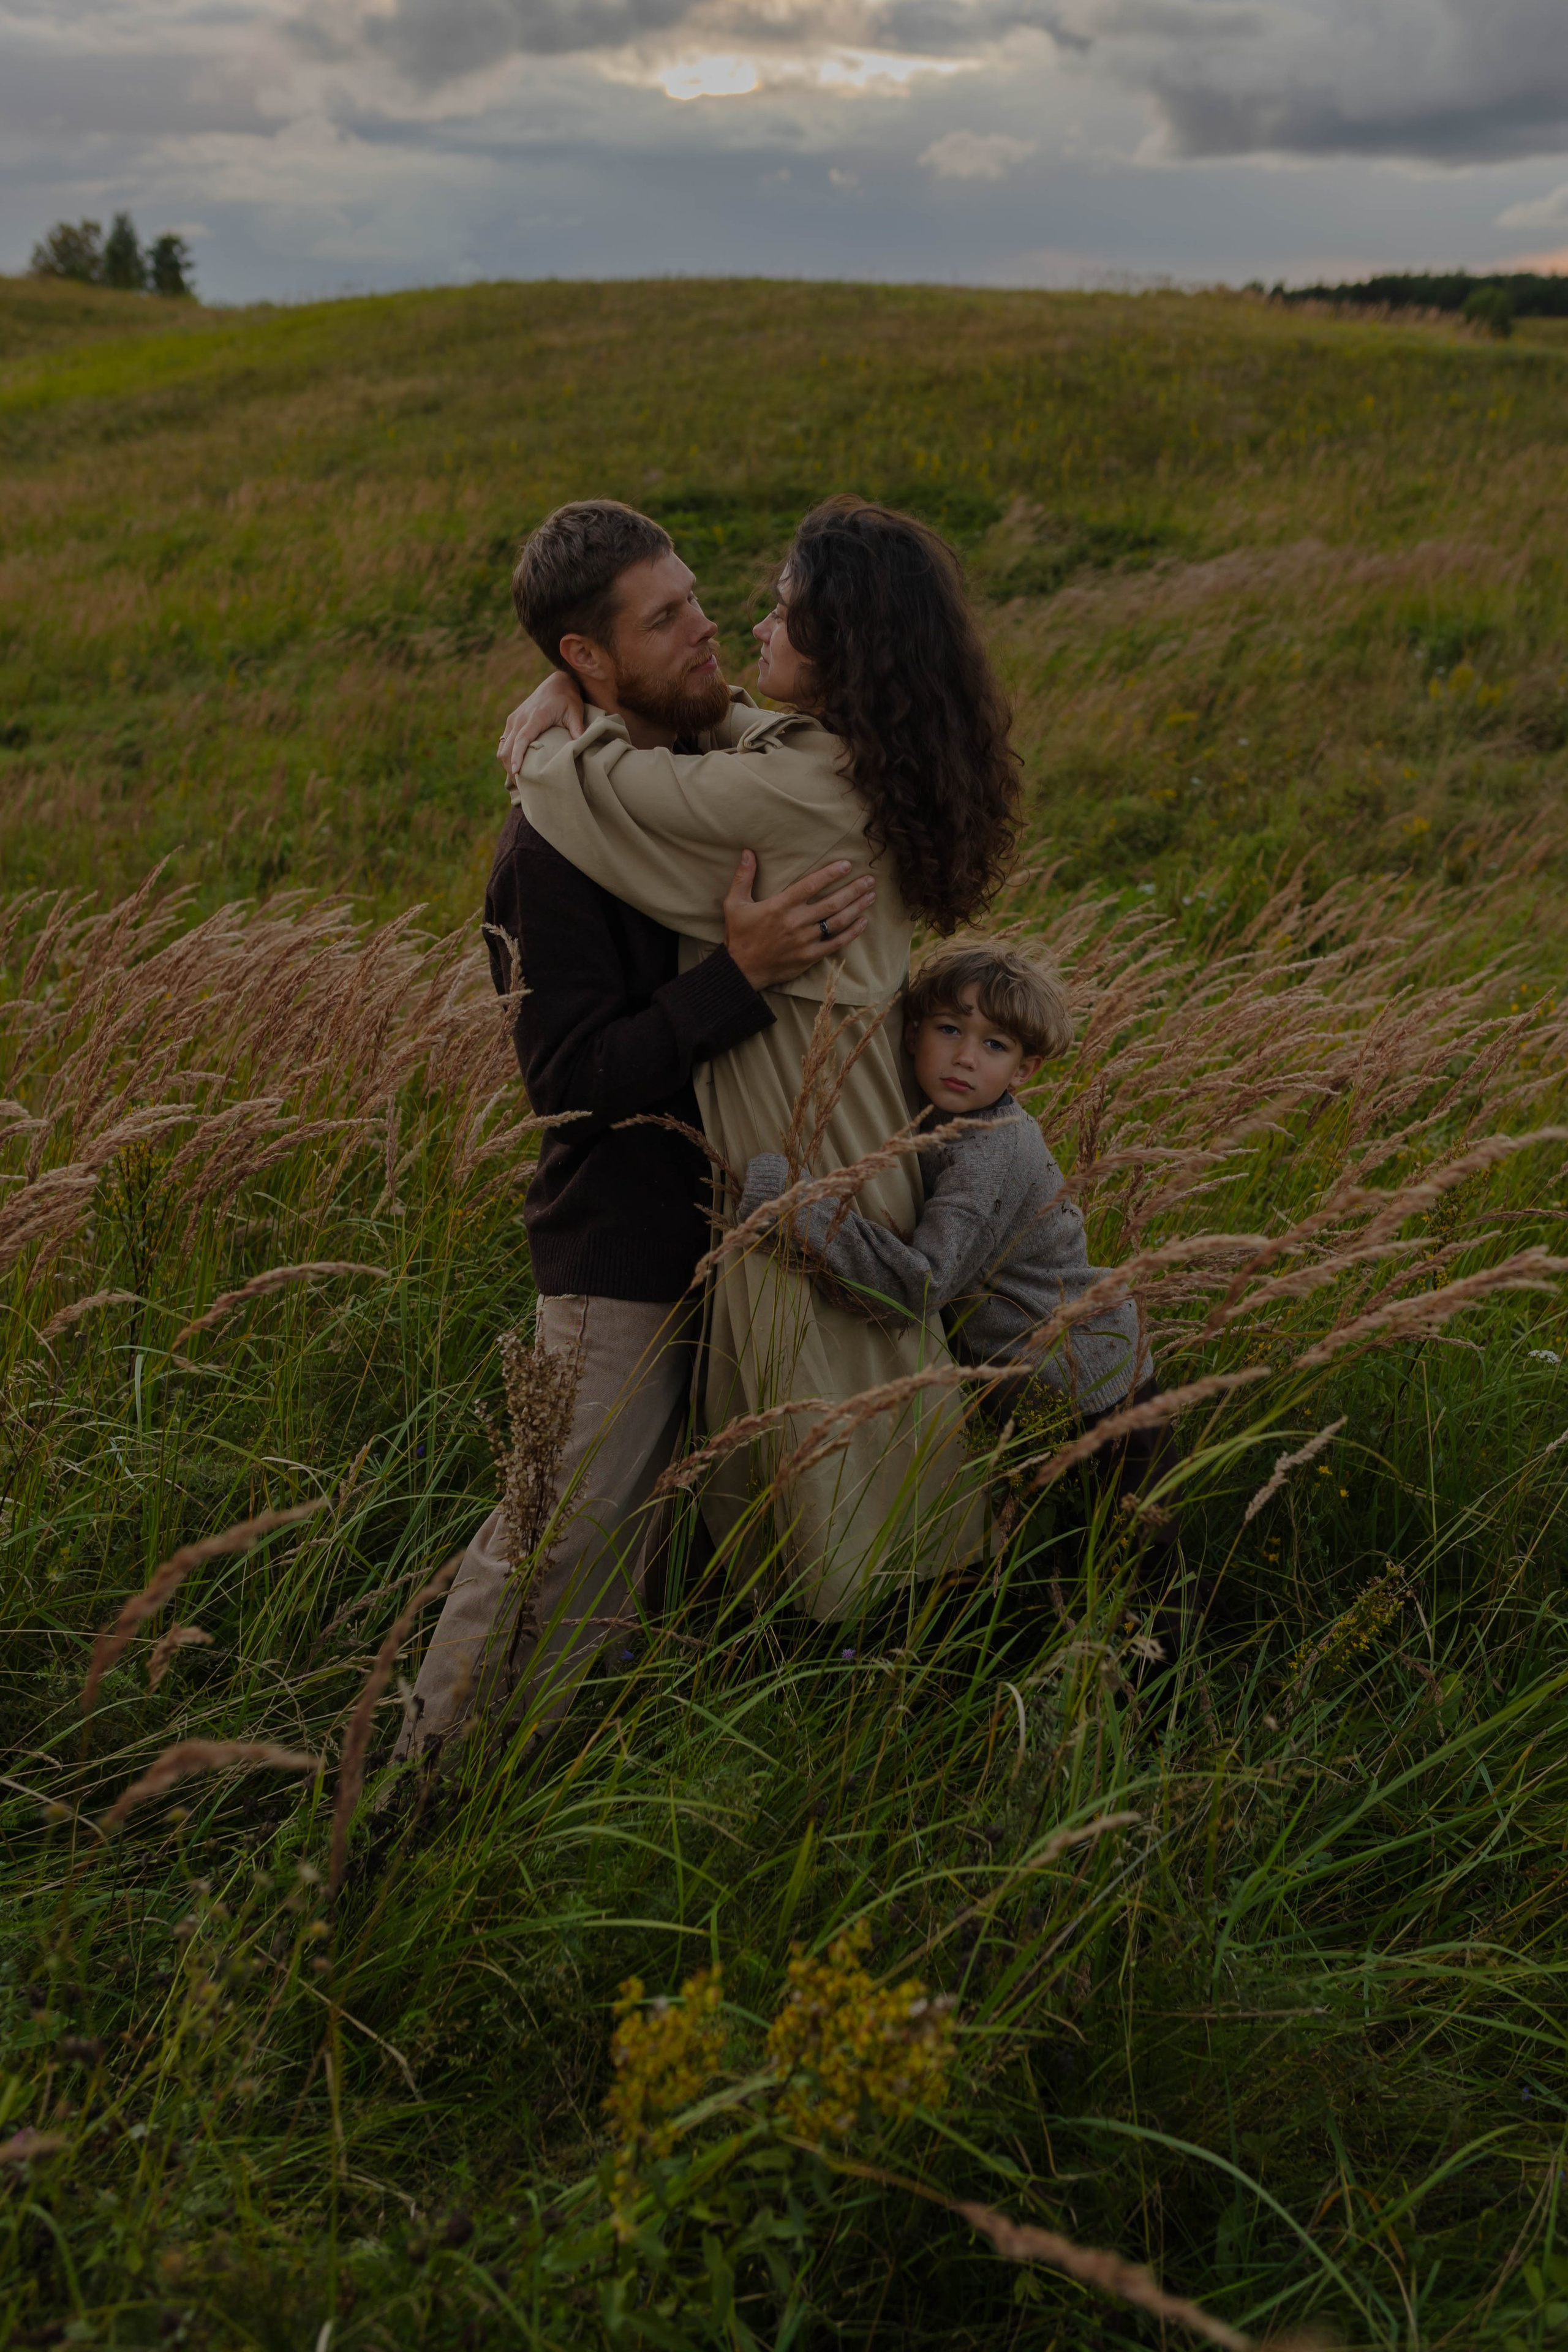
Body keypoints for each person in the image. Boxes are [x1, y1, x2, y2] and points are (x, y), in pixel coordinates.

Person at [395, 500, 874, 1769]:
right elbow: (564, 1082)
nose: (705, 624)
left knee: (631, 1574)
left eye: (695, 596)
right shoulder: (546, 852)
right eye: (663, 619)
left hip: (722, 1244)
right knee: (552, 1544)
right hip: (620, 1257)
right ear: (587, 660)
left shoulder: (695, 783)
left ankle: (534, 1813)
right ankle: (396, 1825)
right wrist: (740, 973)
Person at [502, 496, 1022, 1619]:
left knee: (831, 1450)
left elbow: (586, 788)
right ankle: (869, 1663)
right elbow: (736, 723)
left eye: (779, 610)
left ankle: (866, 1671)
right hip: (827, 1151)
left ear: (846, 651)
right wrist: (575, 680)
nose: (740, 624)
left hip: (810, 1159)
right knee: (835, 1445)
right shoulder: (837, 756)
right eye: (677, 610)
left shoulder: (788, 793)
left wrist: (553, 720)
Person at [736, 940, 1151, 1419]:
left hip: (1091, 1384)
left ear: (1024, 1070)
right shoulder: (923, 1112)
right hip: (1026, 1384)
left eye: (995, 1045)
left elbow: (922, 1286)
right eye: (950, 1029)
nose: (966, 1058)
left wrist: (789, 1204)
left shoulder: (991, 1156)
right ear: (912, 1034)